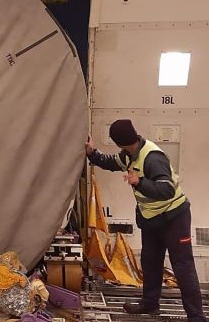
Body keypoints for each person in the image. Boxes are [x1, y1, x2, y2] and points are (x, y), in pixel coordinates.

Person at [86, 119, 206, 321]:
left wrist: (140, 182)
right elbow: (109, 162)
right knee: (150, 262)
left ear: (119, 142)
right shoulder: (129, 154)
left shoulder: (152, 157)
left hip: (174, 217)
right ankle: (150, 304)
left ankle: (196, 317)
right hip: (152, 219)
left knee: (182, 266)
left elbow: (166, 189)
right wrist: (92, 153)